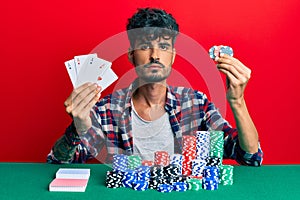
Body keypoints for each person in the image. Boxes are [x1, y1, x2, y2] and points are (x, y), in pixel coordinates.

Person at [47, 7, 263, 166]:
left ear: (173, 56)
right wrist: (78, 127)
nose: (154, 56)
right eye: (144, 46)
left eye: (163, 46)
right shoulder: (106, 110)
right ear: (132, 56)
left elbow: (250, 156)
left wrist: (237, 102)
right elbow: (58, 160)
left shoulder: (196, 104)